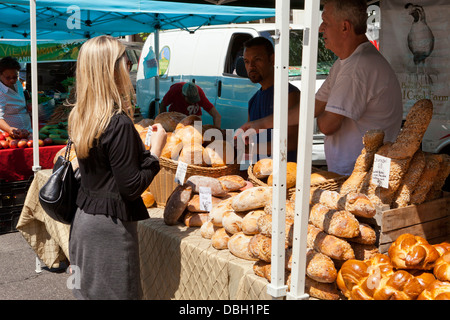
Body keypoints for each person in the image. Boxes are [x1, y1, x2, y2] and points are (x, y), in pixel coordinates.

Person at [239, 0, 403, 176]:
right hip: (353, 173)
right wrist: (259, 124)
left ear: (345, 27)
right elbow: (312, 107)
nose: (320, 28)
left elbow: (327, 125)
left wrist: (326, 110)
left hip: (361, 176)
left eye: (326, 21)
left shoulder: (357, 67)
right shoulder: (345, 63)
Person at [67, 35, 167, 300]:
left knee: (86, 294)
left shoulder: (81, 116)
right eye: (126, 61)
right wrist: (155, 152)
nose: (130, 66)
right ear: (111, 69)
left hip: (83, 221)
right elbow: (131, 187)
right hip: (109, 229)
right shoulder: (117, 123)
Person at [240, 36, 300, 162]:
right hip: (258, 176)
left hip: (285, 177)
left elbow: (292, 141)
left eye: (257, 60)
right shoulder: (253, 100)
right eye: (246, 61)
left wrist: (252, 148)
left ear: (272, 59)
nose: (251, 66)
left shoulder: (290, 95)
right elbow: (249, 139)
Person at [0, 56, 32, 135]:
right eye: (8, 78)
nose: (12, 80)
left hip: (28, 131)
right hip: (10, 135)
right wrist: (9, 129)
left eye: (15, 77)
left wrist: (27, 105)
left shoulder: (17, 83)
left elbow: (20, 102)